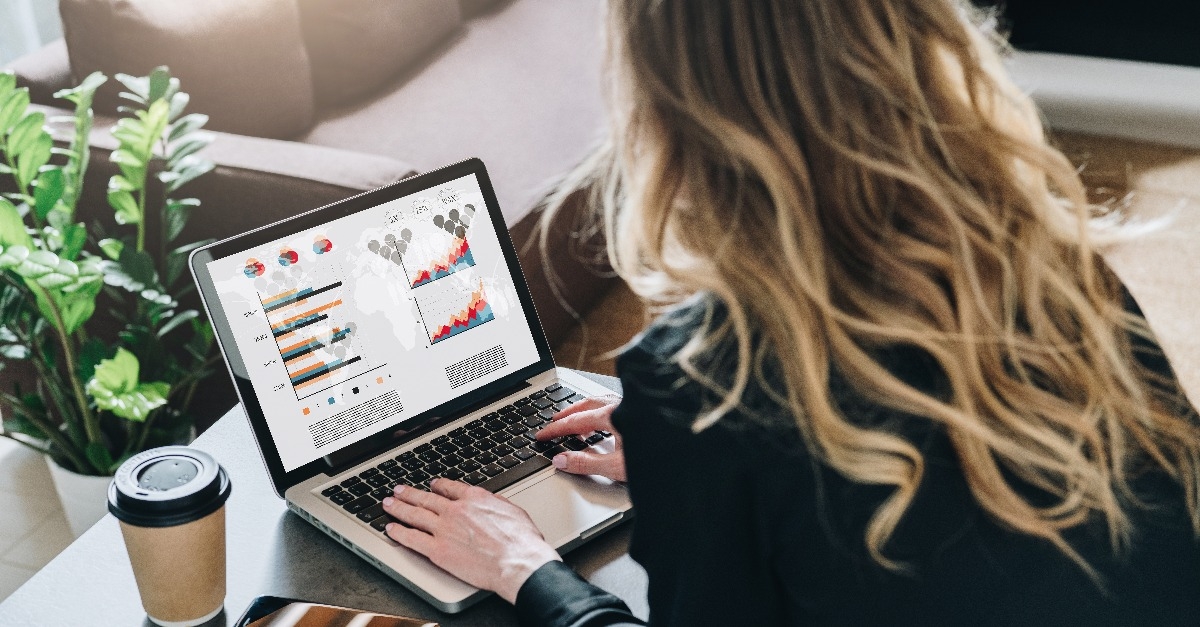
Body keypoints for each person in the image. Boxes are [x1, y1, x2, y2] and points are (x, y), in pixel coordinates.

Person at [379, 0, 1200, 624]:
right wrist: (697, 466)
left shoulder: (700, 381)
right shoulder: (1058, 265)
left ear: (671, 108)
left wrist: (528, 568)